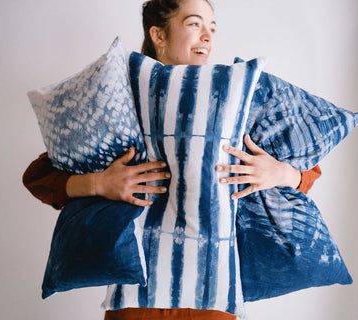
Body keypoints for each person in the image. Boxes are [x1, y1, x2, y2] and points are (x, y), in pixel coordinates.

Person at [23, 0, 322, 319]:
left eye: (212, 28)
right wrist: (101, 182)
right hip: (137, 306)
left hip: (213, 304)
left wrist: (277, 173)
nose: (207, 36)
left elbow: (308, 173)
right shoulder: (121, 100)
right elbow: (40, 176)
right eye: (194, 24)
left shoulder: (232, 101)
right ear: (158, 35)